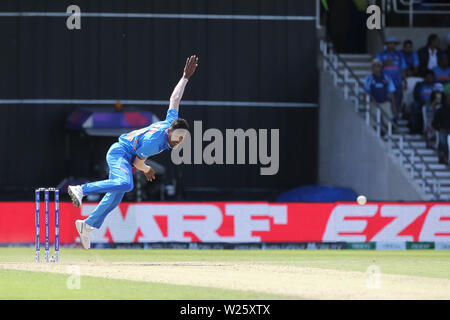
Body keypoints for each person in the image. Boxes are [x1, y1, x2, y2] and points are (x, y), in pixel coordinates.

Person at [67, 55, 199, 249]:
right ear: (170, 131)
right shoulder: (155, 142)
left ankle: (87, 225)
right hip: (119, 153)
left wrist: (185, 77)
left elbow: (175, 98)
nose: (178, 143)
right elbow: (137, 162)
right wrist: (146, 170)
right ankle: (81, 190)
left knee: (114, 198)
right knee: (126, 184)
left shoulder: (171, 121)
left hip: (126, 155)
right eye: (177, 138)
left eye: (181, 140)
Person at [363, 59, 397, 129]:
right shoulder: (368, 78)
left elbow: (391, 91)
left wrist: (393, 105)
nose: (376, 68)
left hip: (385, 102)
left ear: (381, 67)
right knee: (373, 124)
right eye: (374, 66)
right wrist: (365, 103)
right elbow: (365, 92)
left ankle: (386, 137)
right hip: (373, 103)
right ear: (372, 68)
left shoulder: (387, 77)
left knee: (388, 122)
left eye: (378, 66)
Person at [376, 36, 407, 113]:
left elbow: (403, 68)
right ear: (386, 44)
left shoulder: (400, 55)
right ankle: (385, 122)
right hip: (384, 83)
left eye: (393, 44)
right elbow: (375, 67)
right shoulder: (381, 54)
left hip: (397, 83)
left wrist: (405, 81)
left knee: (396, 103)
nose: (392, 45)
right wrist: (384, 63)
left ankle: (394, 122)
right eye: (390, 44)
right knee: (385, 102)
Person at [432, 94, 450, 164]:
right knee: (443, 141)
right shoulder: (440, 110)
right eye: (448, 99)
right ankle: (446, 157)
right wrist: (439, 129)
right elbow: (434, 124)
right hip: (443, 131)